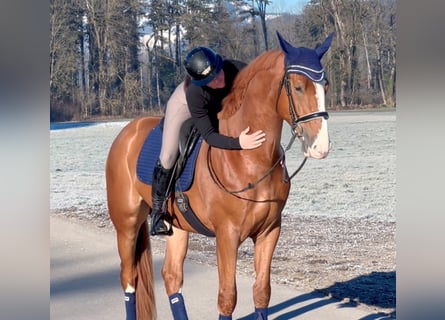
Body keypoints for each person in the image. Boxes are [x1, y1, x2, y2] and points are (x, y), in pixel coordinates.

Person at [150, 46, 266, 236]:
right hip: (184, 106)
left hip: (222, 104)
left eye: (218, 73)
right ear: (202, 82)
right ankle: (157, 213)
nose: (219, 79)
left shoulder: (236, 69)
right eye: (211, 80)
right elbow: (210, 136)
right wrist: (240, 143)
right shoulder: (195, 94)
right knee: (169, 155)